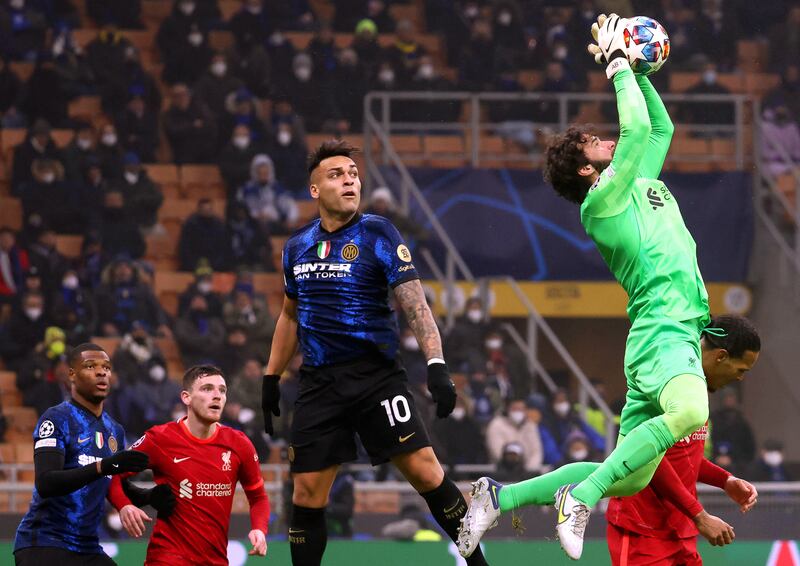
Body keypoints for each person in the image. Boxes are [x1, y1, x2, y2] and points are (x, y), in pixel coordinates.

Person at [458, 14, 723, 560]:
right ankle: (579, 496)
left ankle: (498, 496)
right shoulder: (602, 203)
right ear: (584, 170)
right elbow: (638, 131)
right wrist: (618, 64)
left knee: (625, 475)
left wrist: (640, 71)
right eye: (591, 142)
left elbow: (660, 129)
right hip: (664, 328)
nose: (604, 139)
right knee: (692, 412)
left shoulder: (639, 182)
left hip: (664, 332)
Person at [261, 140, 488, 566]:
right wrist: (271, 377)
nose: (349, 179)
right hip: (318, 383)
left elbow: (415, 303)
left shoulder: (379, 232)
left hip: (376, 377)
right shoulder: (296, 246)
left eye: (353, 173)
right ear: (315, 190)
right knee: (307, 493)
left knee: (425, 470)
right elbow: (290, 315)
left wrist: (437, 365)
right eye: (336, 174)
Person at [606, 315, 761, 565]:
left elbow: (683, 456)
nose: (740, 378)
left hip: (680, 532)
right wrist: (699, 515)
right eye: (741, 370)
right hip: (642, 532)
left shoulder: (697, 389)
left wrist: (725, 480)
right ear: (720, 356)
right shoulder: (666, 381)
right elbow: (649, 459)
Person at [108, 365, 270, 564]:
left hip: (215, 559)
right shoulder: (160, 438)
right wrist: (124, 505)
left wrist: (259, 529)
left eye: (222, 390)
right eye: (207, 388)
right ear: (186, 397)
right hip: (167, 557)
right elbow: (113, 474)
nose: (217, 395)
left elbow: (258, 497)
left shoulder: (239, 443)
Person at [13, 343, 150, 566]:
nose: (101, 372)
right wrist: (103, 466)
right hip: (45, 544)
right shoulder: (56, 418)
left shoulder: (114, 430)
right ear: (72, 375)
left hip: (87, 547)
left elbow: (113, 485)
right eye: (90, 366)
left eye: (106, 367)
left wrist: (148, 497)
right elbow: (47, 482)